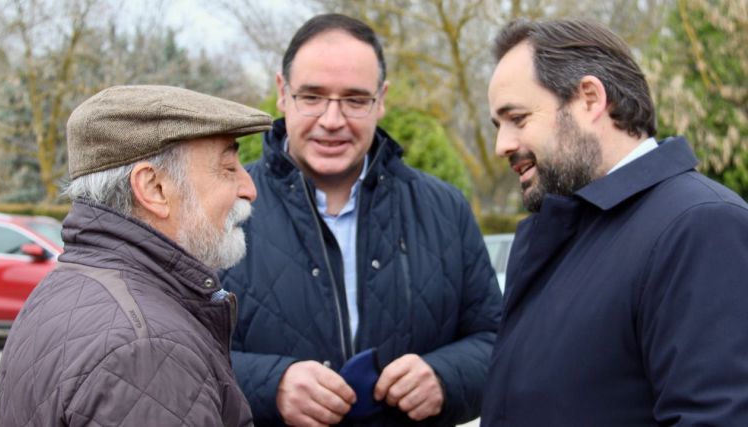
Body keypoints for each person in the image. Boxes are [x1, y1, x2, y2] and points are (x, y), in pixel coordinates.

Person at [220, 13, 501, 427]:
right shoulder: (222, 211)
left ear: (381, 98)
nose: (332, 121)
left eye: (355, 100)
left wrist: (445, 377)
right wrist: (269, 385)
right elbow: (173, 356)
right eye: (312, 97)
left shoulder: (445, 208)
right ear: (282, 92)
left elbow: (498, 342)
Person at [481, 18, 748, 426]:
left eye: (517, 118)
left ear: (589, 99)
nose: (503, 145)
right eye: (498, 126)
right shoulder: (556, 233)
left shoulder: (699, 227)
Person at [0, 85, 272, 426]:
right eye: (228, 168)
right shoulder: (147, 349)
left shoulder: (69, 285)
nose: (249, 188)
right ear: (154, 188)